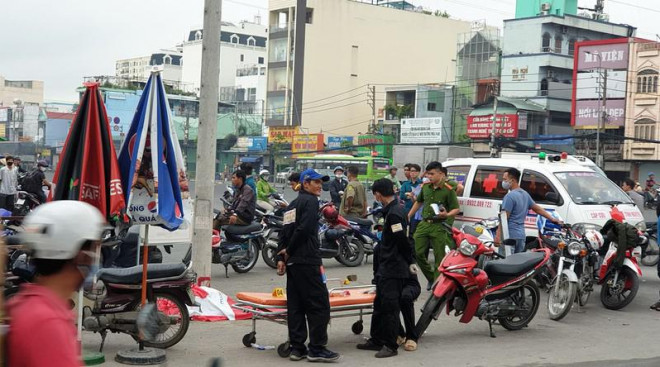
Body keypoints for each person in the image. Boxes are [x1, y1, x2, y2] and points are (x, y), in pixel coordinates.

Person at [6, 200, 105, 367]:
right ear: (82, 256)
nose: (96, 257)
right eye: (94, 248)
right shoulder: (48, 323)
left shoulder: (34, 305)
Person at [277, 168, 340, 362]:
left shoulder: (293, 204)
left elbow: (285, 231)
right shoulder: (312, 202)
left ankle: (298, 348)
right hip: (307, 260)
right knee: (319, 304)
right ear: (305, 184)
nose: (320, 186)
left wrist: (282, 257)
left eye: (321, 183)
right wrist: (289, 251)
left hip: (294, 264)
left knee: (296, 306)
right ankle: (317, 348)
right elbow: (304, 229)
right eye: (316, 182)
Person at [357, 178, 419, 358]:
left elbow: (402, 241)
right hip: (386, 266)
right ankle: (377, 339)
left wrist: (410, 261)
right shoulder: (391, 210)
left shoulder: (395, 214)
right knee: (380, 305)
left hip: (394, 268)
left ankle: (391, 345)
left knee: (390, 307)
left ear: (377, 194)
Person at [407, 162, 459, 289]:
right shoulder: (426, 187)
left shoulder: (448, 190)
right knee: (418, 253)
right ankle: (431, 277)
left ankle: (437, 283)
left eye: (432, 174)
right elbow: (418, 203)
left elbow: (456, 209)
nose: (429, 176)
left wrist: (447, 215)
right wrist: (408, 216)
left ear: (441, 174)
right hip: (424, 224)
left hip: (439, 226)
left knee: (439, 256)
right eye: (428, 174)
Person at [498, 168, 560, 254]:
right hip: (521, 236)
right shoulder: (525, 194)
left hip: (509, 236)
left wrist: (498, 235)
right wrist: (552, 218)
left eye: (505, 179)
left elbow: (504, 218)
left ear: (512, 180)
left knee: (505, 264)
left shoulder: (509, 197)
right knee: (518, 264)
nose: (503, 182)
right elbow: (537, 209)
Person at [400, 164, 422, 234]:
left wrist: (410, 195)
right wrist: (409, 195)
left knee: (415, 231)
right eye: (411, 171)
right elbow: (402, 196)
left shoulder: (422, 184)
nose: (412, 173)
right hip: (408, 210)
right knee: (405, 230)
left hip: (419, 212)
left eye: (415, 171)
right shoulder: (405, 184)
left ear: (419, 172)